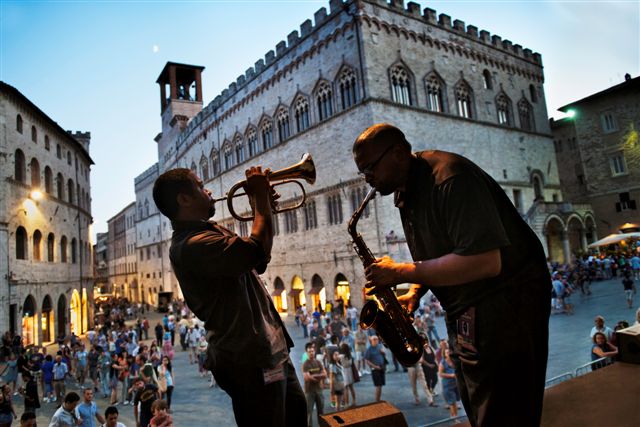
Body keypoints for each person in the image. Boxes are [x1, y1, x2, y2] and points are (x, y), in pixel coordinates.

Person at [353, 124, 552, 426]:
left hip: (506, 303)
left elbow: (486, 262)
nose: (367, 177)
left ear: (396, 153)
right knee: (477, 399)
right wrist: (415, 292)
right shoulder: (406, 190)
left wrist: (400, 272)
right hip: (466, 306)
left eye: (369, 167)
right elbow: (437, 253)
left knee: (504, 406)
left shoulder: (450, 178)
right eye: (362, 171)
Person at [152, 166, 306, 426]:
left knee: (297, 415)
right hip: (248, 358)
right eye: (201, 186)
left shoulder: (207, 232)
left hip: (269, 350)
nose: (209, 191)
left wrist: (263, 205)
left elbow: (258, 262)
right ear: (184, 199)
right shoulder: (192, 245)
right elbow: (255, 252)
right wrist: (259, 202)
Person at [302, 342, 326, 427]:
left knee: (321, 412)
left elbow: (325, 374)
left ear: (314, 351)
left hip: (319, 390)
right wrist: (318, 377)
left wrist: (314, 376)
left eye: (312, 351)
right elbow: (306, 378)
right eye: (309, 351)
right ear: (307, 353)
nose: (311, 353)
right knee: (309, 412)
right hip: (309, 391)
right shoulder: (305, 364)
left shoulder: (318, 362)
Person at [363, 336, 386, 402]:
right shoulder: (369, 349)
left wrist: (383, 353)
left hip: (381, 367)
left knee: (381, 385)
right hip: (375, 369)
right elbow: (367, 361)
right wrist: (375, 366)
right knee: (378, 385)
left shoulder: (379, 346)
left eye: (377, 339)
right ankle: (377, 401)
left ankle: (378, 399)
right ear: (371, 341)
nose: (376, 340)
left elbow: (383, 355)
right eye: (374, 339)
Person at [439, 349, 460, 418]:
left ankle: (455, 417)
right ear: (445, 354)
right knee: (452, 403)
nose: (449, 354)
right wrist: (451, 375)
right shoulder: (442, 363)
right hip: (447, 386)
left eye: (449, 352)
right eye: (447, 353)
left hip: (455, 385)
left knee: (455, 402)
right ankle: (454, 417)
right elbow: (440, 374)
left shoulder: (453, 361)